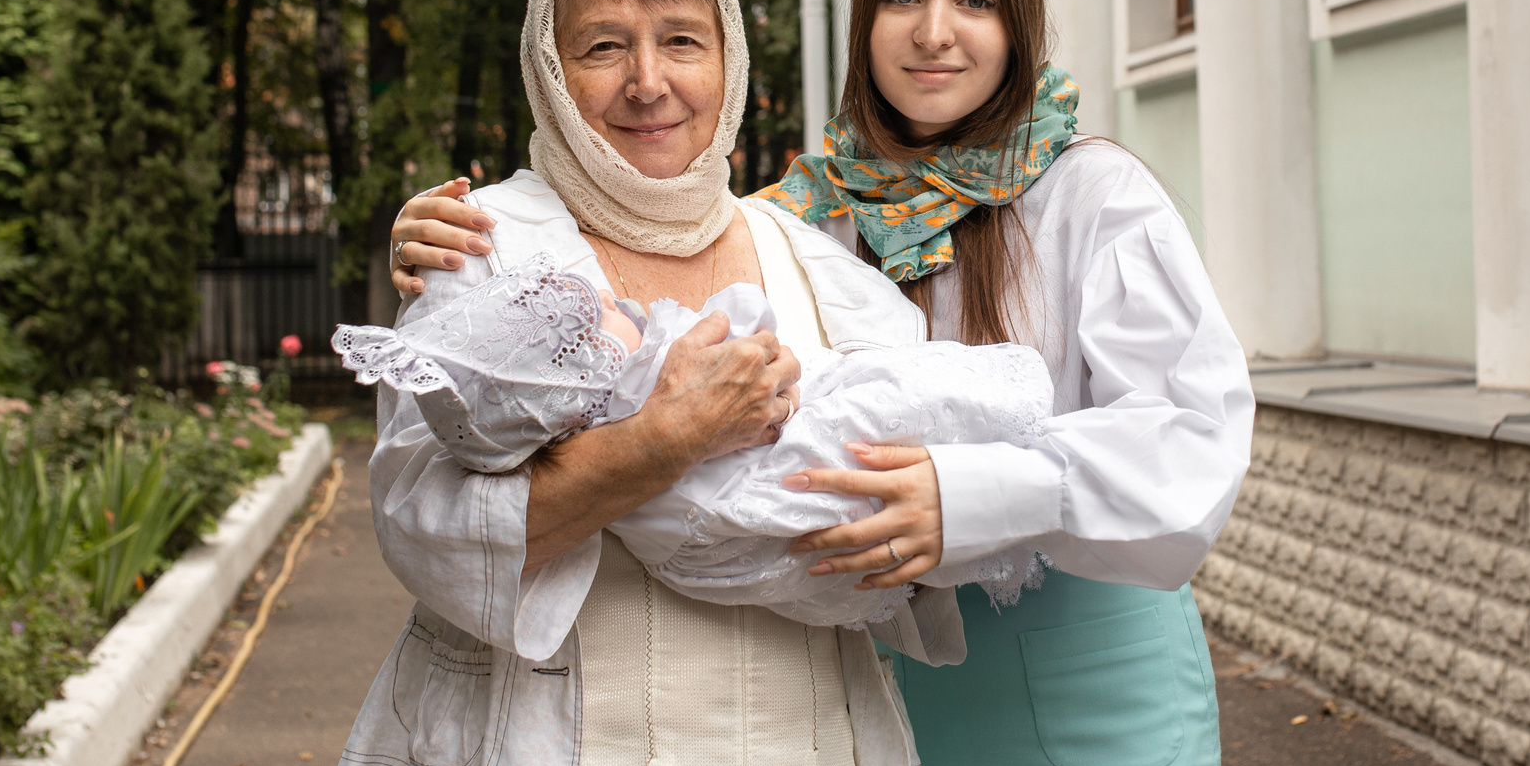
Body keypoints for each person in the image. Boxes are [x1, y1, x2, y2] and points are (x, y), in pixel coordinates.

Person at [393, 0, 1253, 766]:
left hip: (1077, 668)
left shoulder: (1092, 196)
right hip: (901, 688)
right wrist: (446, 271)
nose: (934, 32)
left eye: (976, 1)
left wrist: (971, 496)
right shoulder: (810, 218)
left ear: (1021, 23)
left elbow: (1191, 442)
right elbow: (615, 286)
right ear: (861, 24)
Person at [336, 0, 969, 766]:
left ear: (729, 60)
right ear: (549, 67)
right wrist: (664, 440)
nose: (647, 81)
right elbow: (422, 529)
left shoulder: (816, 270)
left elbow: (916, 516)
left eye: (682, 38)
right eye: (602, 46)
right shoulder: (482, 251)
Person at [330, 253, 1054, 627]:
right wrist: (678, 429)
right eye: (604, 45)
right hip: (760, 505)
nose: (618, 303)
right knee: (857, 439)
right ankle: (998, 404)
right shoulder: (624, 370)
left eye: (682, 39)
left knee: (875, 418)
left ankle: (992, 419)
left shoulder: (788, 227)